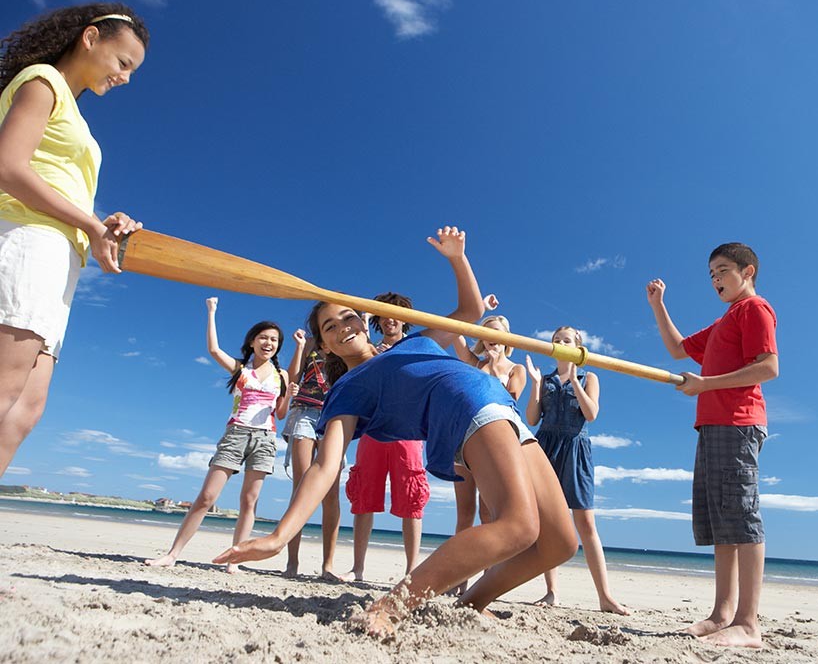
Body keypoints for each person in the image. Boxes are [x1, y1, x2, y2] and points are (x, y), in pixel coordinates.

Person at [215, 227, 578, 638]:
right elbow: (325, 465)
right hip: (467, 413)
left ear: (364, 321)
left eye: (347, 317)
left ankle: (473, 603)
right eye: (329, 327)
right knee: (519, 525)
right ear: (326, 346)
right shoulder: (347, 390)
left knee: (559, 543)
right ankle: (394, 603)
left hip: (506, 413)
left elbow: (470, 310)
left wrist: (457, 258)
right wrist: (281, 535)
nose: (341, 327)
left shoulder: (414, 340)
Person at [0, 3, 149, 477]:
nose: (126, 78)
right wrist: (89, 223)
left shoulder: (75, 114)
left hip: (60, 261)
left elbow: (61, 183)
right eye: (123, 63)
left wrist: (105, 221)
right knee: (3, 392)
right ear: (90, 38)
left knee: (24, 413)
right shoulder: (42, 81)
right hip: (28, 241)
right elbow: (8, 168)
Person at [646, 242, 779, 648]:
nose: (716, 280)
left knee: (742, 517)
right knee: (722, 524)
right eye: (711, 275)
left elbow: (768, 367)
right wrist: (658, 303)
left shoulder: (754, 309)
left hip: (738, 423)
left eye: (722, 270)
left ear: (748, 271)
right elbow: (677, 349)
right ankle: (722, 615)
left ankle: (749, 624)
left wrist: (705, 384)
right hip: (711, 426)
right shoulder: (724, 321)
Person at [146, 298, 290, 572]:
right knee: (207, 497)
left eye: (274, 339)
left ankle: (234, 561)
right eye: (263, 337)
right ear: (252, 342)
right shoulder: (241, 369)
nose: (268, 343)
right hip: (236, 434)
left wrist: (290, 397)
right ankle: (172, 554)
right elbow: (213, 349)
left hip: (265, 439)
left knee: (249, 501)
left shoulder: (281, 375)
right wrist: (211, 312)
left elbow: (280, 414)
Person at [524, 327, 629, 615]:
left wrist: (574, 380)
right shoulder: (544, 380)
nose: (560, 344)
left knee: (586, 524)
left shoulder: (589, 377)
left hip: (575, 448)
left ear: (578, 347)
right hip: (546, 448)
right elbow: (532, 419)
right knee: (548, 523)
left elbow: (591, 414)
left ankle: (605, 597)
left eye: (566, 340)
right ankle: (551, 592)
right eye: (557, 340)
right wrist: (534, 385)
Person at [340, 292, 430, 582]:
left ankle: (411, 571)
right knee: (364, 494)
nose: (390, 319)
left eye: (396, 313)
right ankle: (358, 568)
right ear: (377, 320)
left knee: (411, 498)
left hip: (408, 430)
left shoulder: (419, 346)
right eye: (384, 314)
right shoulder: (366, 349)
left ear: (405, 318)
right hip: (373, 429)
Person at [450, 311, 525, 579]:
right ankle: (458, 578)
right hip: (463, 437)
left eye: (498, 333)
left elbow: (510, 399)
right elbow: (453, 330)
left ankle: (487, 577)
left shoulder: (517, 369)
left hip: (494, 443)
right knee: (464, 513)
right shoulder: (472, 361)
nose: (493, 338)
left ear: (506, 339)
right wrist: (478, 308)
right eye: (488, 332)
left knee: (488, 514)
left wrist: (494, 366)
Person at [280, 316, 340, 580]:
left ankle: (327, 566)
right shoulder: (311, 343)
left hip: (334, 416)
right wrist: (299, 346)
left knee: (331, 492)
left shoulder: (344, 345)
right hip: (303, 412)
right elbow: (292, 379)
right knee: (301, 485)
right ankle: (292, 562)